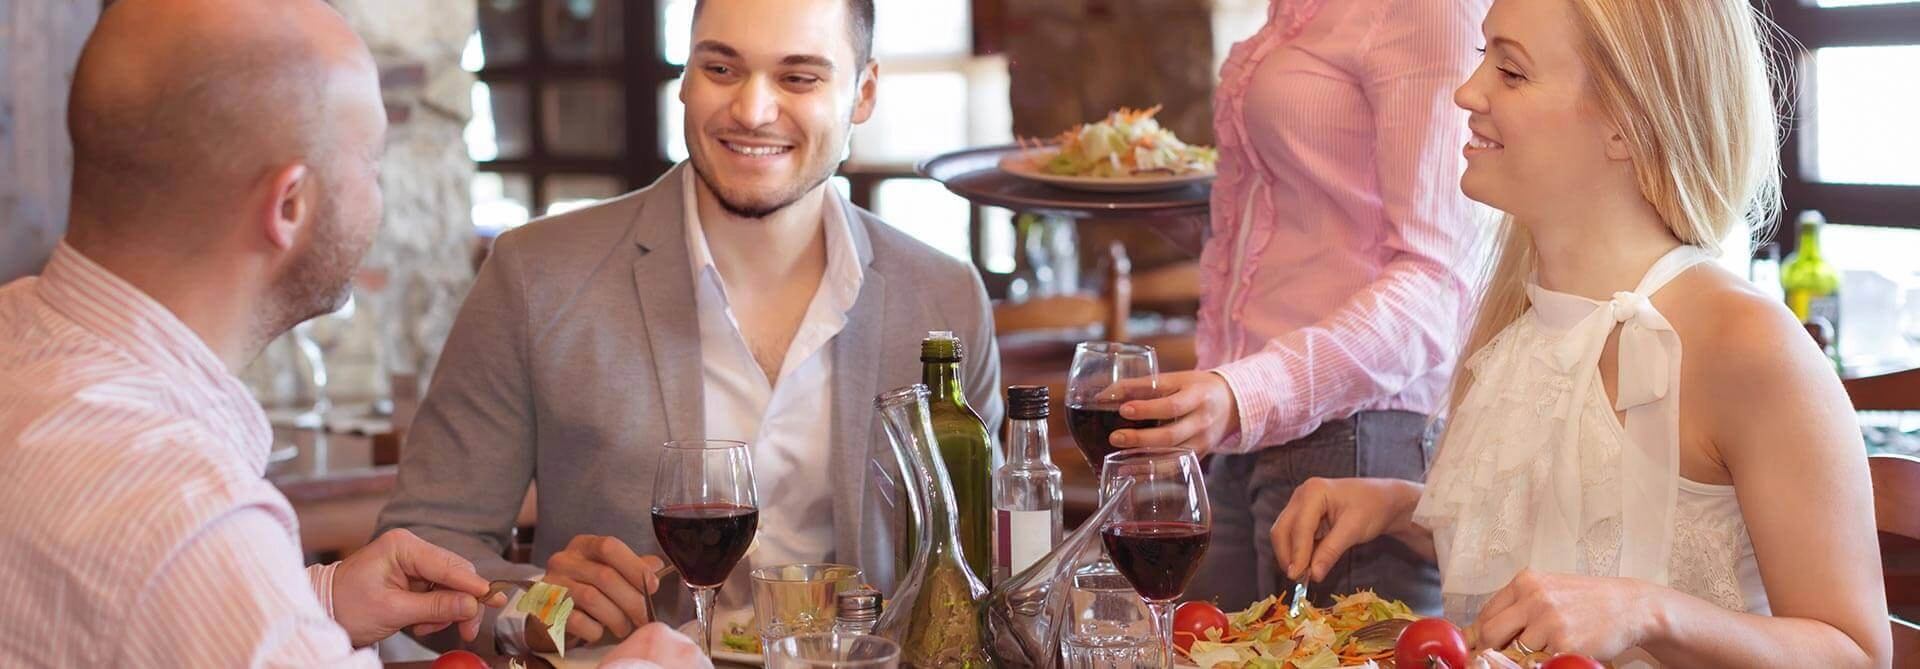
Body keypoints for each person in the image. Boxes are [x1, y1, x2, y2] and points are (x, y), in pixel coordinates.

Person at [1271, 0, 1891, 666]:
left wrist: (1648, 611)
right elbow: (1560, 544)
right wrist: (1401, 508)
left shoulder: (1748, 344)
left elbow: (1856, 653)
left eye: (1510, 72)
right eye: (1485, 59)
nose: (1467, 91)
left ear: (1625, 124)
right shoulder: (1515, 326)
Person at [374, 0, 1001, 652]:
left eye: (798, 78)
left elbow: (987, 576)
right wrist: (542, 606)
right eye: (722, 67)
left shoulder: (945, 300)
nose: (752, 110)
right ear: (686, 76)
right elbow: (422, 550)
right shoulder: (535, 277)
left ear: (863, 92)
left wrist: (1117, 471)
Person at [0, 0, 500, 664]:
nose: (378, 197)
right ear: (289, 206)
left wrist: (312, 601)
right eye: (371, 164)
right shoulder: (192, 523)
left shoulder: (18, 337)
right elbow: (171, 568)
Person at [1109, 0, 1490, 612]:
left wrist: (1243, 392)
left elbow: (1438, 284)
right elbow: (1310, 218)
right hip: (1245, 425)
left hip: (1355, 430)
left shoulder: (1426, 11)